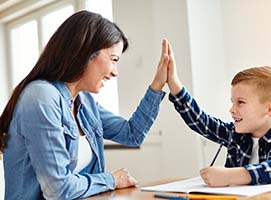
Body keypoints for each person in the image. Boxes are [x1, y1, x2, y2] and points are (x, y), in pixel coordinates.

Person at [0, 10, 171, 199]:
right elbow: (58, 190)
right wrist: (111, 180)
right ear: (85, 52)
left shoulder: (85, 102)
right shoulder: (41, 97)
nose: (115, 72)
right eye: (113, 60)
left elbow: (132, 135)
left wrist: (157, 84)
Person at [165, 43, 271, 186]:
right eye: (232, 102)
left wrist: (231, 176)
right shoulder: (236, 134)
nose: (232, 109)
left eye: (240, 102)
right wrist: (174, 84)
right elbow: (201, 122)